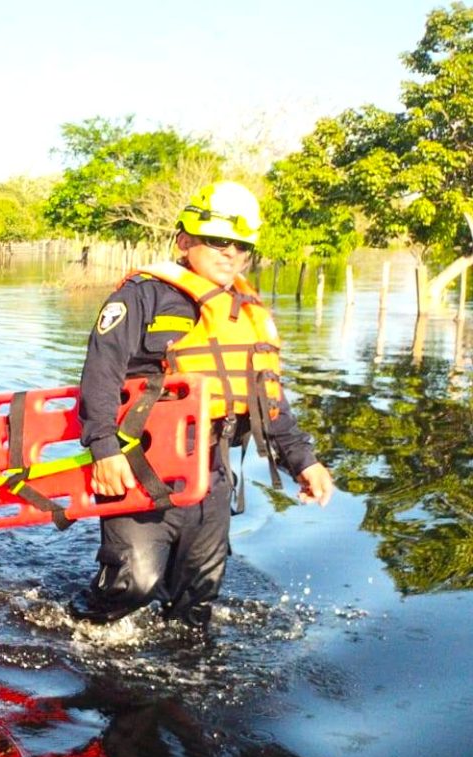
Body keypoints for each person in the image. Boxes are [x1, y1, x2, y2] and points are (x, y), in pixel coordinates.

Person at [69, 181, 335, 627]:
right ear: (184, 240)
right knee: (132, 584)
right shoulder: (141, 296)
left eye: (241, 245)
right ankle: (79, 627)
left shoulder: (247, 315)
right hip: (141, 468)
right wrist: (103, 448)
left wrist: (303, 462)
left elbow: (270, 401)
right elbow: (100, 373)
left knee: (196, 603)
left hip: (210, 476)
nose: (230, 252)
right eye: (217, 241)